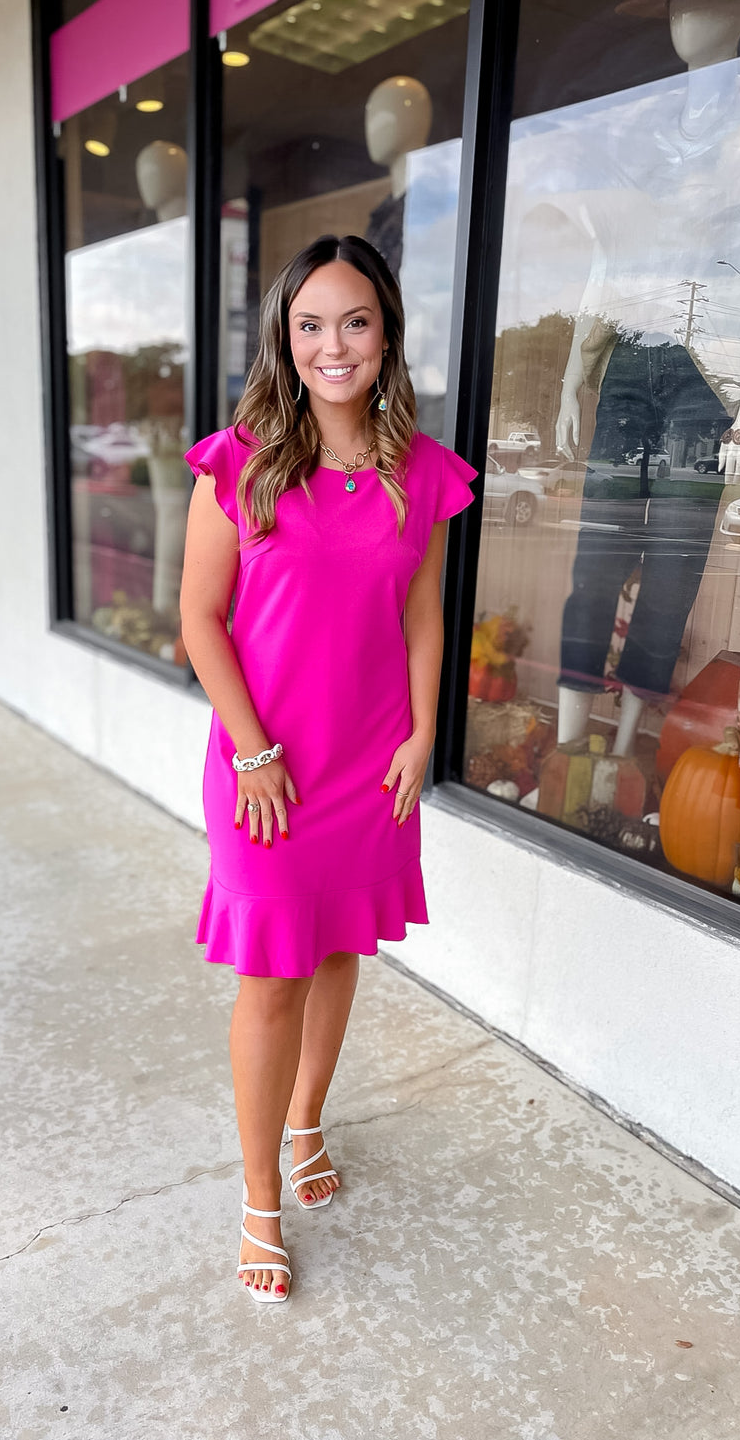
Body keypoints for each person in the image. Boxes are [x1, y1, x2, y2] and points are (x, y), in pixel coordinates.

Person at [179, 234, 476, 1305]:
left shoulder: (422, 474)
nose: (332, 344)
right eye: (310, 324)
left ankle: (307, 1119)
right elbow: (199, 621)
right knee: (272, 976)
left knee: (342, 947)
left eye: (353, 321)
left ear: (385, 332)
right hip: (268, 766)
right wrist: (252, 748)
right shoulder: (240, 462)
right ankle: (258, 1194)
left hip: (371, 764)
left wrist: (421, 732)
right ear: (285, 338)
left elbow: (423, 617)